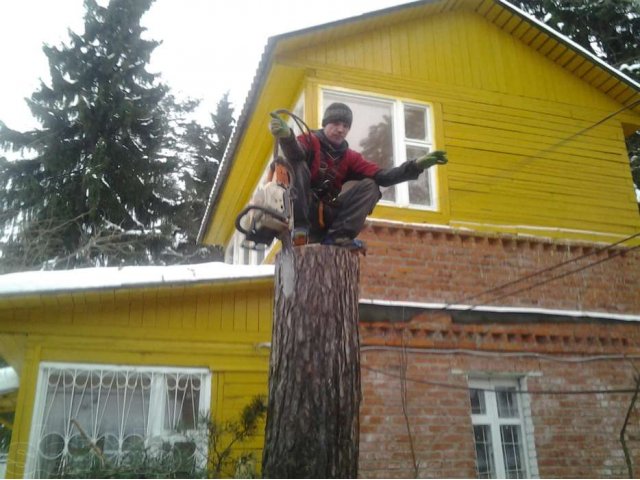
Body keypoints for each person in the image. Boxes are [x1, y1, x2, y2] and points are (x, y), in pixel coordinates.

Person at [269, 102, 447, 248]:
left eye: (345, 126)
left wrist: (415, 165)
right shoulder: (309, 140)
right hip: (298, 209)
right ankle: (300, 229)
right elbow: (296, 153)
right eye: (336, 124)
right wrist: (287, 137)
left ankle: (338, 237)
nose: (341, 129)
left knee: (371, 186)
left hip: (326, 213)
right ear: (326, 123)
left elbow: (382, 176)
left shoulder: (350, 157)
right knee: (297, 165)